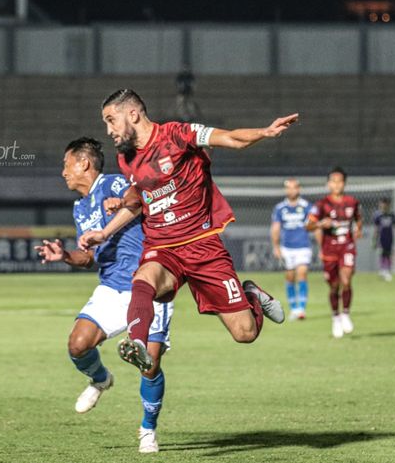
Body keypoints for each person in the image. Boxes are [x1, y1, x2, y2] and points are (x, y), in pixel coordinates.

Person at [79, 89, 296, 374]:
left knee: (245, 333)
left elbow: (229, 138)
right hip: (163, 246)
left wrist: (265, 132)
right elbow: (138, 200)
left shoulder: (177, 134)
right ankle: (138, 345)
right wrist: (106, 231)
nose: (108, 130)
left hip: (203, 246)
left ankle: (251, 294)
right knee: (143, 279)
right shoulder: (126, 159)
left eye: (111, 120)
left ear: (132, 114)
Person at [35, 137, 173, 454]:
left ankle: (147, 430)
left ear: (84, 163)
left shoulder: (111, 183)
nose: (63, 172)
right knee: (77, 344)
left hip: (149, 282)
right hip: (112, 285)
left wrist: (121, 203)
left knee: (148, 365)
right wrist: (66, 256)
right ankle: (100, 379)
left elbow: (137, 199)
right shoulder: (80, 207)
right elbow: (92, 256)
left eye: (66, 164)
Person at [306, 167, 362, 339]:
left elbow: (358, 219)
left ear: (344, 183)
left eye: (340, 181)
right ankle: (335, 317)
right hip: (329, 249)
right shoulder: (322, 205)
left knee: (346, 280)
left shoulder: (352, 202)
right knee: (334, 286)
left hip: (347, 246)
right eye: (333, 181)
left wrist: (358, 230)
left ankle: (345, 313)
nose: (336, 184)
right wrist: (322, 223)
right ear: (328, 184)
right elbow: (308, 225)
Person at [271, 178, 313, 320]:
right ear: (285, 190)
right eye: (288, 187)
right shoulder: (280, 208)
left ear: (299, 189)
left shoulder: (307, 206)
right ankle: (293, 308)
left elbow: (314, 225)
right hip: (287, 248)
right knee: (290, 277)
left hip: (303, 246)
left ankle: (301, 309)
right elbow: (275, 228)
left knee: (302, 274)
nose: (291, 190)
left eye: (294, 187)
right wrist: (276, 247)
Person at [372, 197, 395, 282]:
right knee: (382, 253)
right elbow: (376, 228)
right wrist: (374, 240)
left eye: (385, 204)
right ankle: (382, 269)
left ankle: (388, 270)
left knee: (389, 254)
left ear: (388, 205)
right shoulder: (377, 215)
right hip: (381, 237)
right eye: (382, 204)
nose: (383, 206)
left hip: (389, 237)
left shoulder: (392, 215)